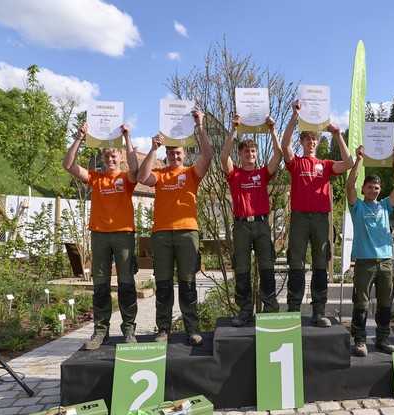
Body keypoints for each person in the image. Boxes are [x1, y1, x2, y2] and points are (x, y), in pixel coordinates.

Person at [137, 109, 214, 345]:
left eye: (178, 153)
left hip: (187, 232)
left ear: (184, 154)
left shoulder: (192, 173)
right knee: (163, 283)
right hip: (161, 234)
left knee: (188, 282)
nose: (174, 157)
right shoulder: (159, 174)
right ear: (166, 154)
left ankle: (192, 328)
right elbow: (141, 177)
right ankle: (163, 329)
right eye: (170, 153)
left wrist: (199, 126)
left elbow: (208, 155)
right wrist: (153, 149)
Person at [63, 124, 139, 349]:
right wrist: (79, 137)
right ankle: (100, 332)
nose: (111, 160)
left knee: (126, 283)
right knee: (100, 285)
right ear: (102, 159)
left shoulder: (126, 178)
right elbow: (68, 165)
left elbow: (136, 167)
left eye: (114, 156)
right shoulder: (95, 178)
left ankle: (128, 330)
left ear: (120, 158)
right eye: (107, 156)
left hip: (124, 234)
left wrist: (127, 137)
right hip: (99, 235)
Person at [281, 100, 354, 327]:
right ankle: (293, 310)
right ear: (302, 141)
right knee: (296, 263)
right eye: (307, 138)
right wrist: (294, 116)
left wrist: (337, 134)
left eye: (314, 139)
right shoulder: (296, 163)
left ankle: (319, 311)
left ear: (318, 142)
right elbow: (284, 146)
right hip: (300, 218)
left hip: (322, 218)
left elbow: (349, 162)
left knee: (321, 264)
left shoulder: (326, 163)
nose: (311, 142)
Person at [220, 114, 282, 326]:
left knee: (266, 267)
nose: (250, 154)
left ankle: (270, 308)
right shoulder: (234, 174)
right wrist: (234, 129)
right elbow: (223, 156)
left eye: (253, 151)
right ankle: (245, 311)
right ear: (240, 154)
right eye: (246, 151)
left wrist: (272, 130)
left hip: (262, 224)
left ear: (256, 154)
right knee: (242, 269)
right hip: (241, 226)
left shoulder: (263, 173)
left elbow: (278, 155)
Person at [346, 145, 394, 356]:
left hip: (386, 261)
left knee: (386, 303)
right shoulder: (357, 206)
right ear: (364, 189)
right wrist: (359, 159)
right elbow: (349, 186)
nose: (373, 190)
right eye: (369, 187)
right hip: (365, 262)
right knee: (361, 303)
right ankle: (360, 340)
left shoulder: (386, 206)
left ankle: (382, 338)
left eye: (376, 187)